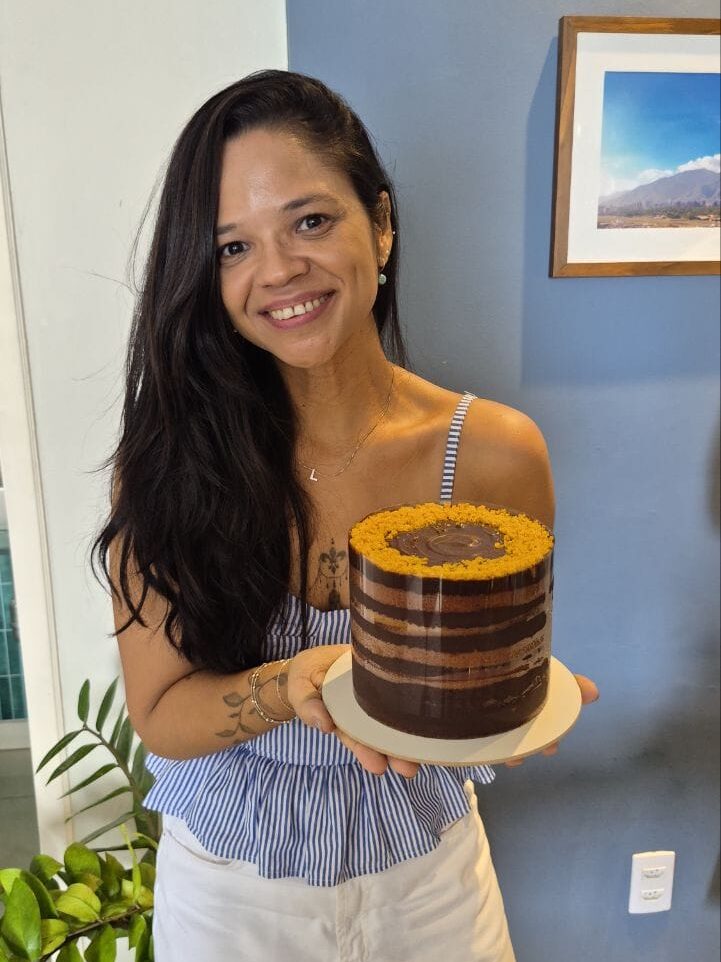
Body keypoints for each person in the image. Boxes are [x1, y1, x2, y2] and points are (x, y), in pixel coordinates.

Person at [94, 69, 598, 962]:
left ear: (381, 223)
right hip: (228, 894)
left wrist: (501, 712)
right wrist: (289, 687)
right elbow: (161, 711)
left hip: (430, 888)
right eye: (232, 247)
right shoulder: (168, 470)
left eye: (310, 222)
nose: (279, 270)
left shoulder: (493, 454)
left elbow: (489, 671)